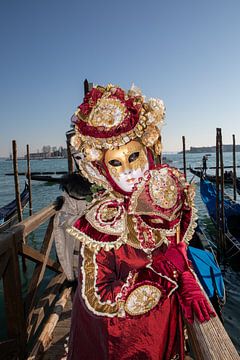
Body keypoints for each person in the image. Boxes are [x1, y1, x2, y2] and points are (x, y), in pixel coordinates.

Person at [65, 84, 215, 360]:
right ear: (103, 171)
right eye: (116, 163)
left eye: (134, 156)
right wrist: (164, 275)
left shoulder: (166, 196)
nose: (131, 171)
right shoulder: (101, 221)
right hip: (120, 341)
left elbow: (177, 249)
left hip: (164, 327)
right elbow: (97, 297)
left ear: (148, 152)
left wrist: (186, 277)